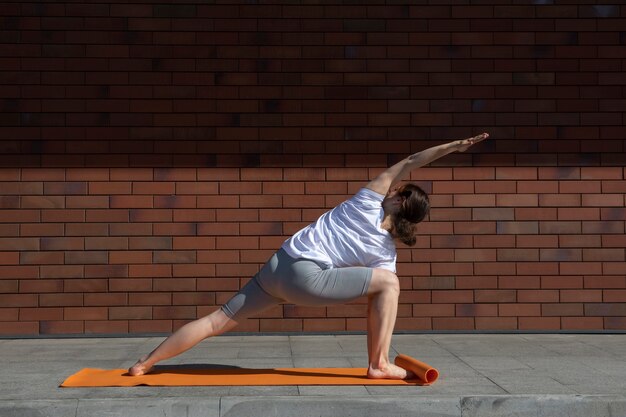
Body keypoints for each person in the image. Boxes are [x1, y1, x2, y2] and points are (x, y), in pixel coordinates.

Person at [129, 132, 489, 379]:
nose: (393, 187)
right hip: (306, 277)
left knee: (216, 321)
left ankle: (146, 363)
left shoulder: (366, 200)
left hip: (278, 265)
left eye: (399, 190)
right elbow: (376, 300)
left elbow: (411, 160)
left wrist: (454, 147)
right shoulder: (385, 254)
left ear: (398, 200)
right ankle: (378, 363)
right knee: (390, 285)